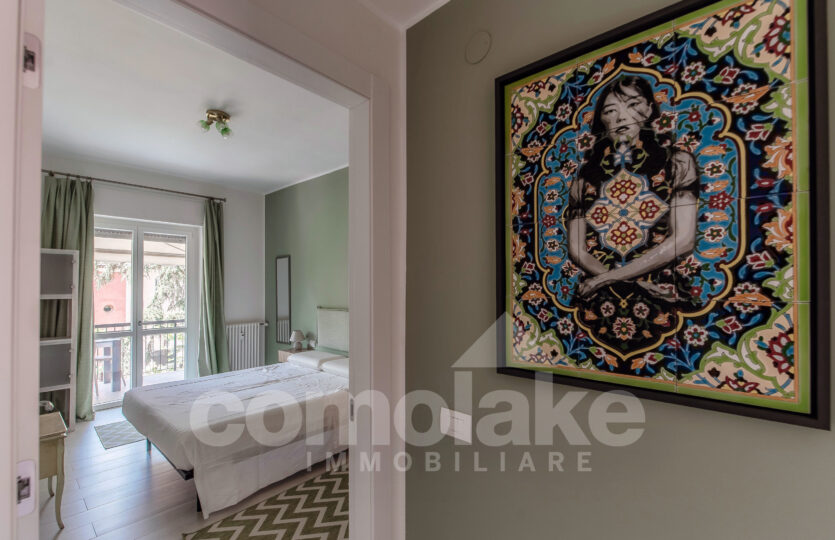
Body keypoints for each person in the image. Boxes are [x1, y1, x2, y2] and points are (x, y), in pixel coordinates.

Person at [565, 75, 699, 352]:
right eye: (610, 110)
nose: (621, 117)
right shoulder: (582, 181)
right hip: (600, 307)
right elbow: (577, 250)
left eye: (633, 104)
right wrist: (634, 282)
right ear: (601, 120)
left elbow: (684, 240)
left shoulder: (678, 162)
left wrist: (605, 278)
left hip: (662, 299)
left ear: (649, 109)